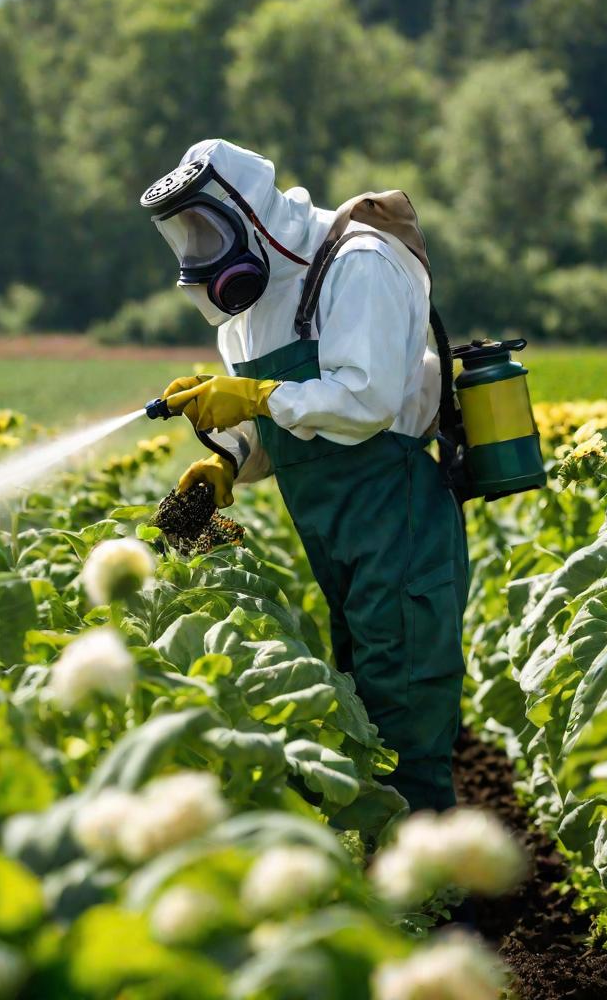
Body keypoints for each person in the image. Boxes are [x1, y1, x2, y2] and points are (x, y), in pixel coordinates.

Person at [143, 138, 469, 812]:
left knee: (404, 697)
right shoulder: (244, 318)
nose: (197, 249)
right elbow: (280, 427)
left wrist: (256, 398)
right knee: (361, 696)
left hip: (396, 517)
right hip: (331, 532)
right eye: (185, 236)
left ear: (249, 213)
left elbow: (365, 403)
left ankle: (435, 892)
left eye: (205, 228)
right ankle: (387, 863)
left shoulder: (358, 264)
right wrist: (226, 459)